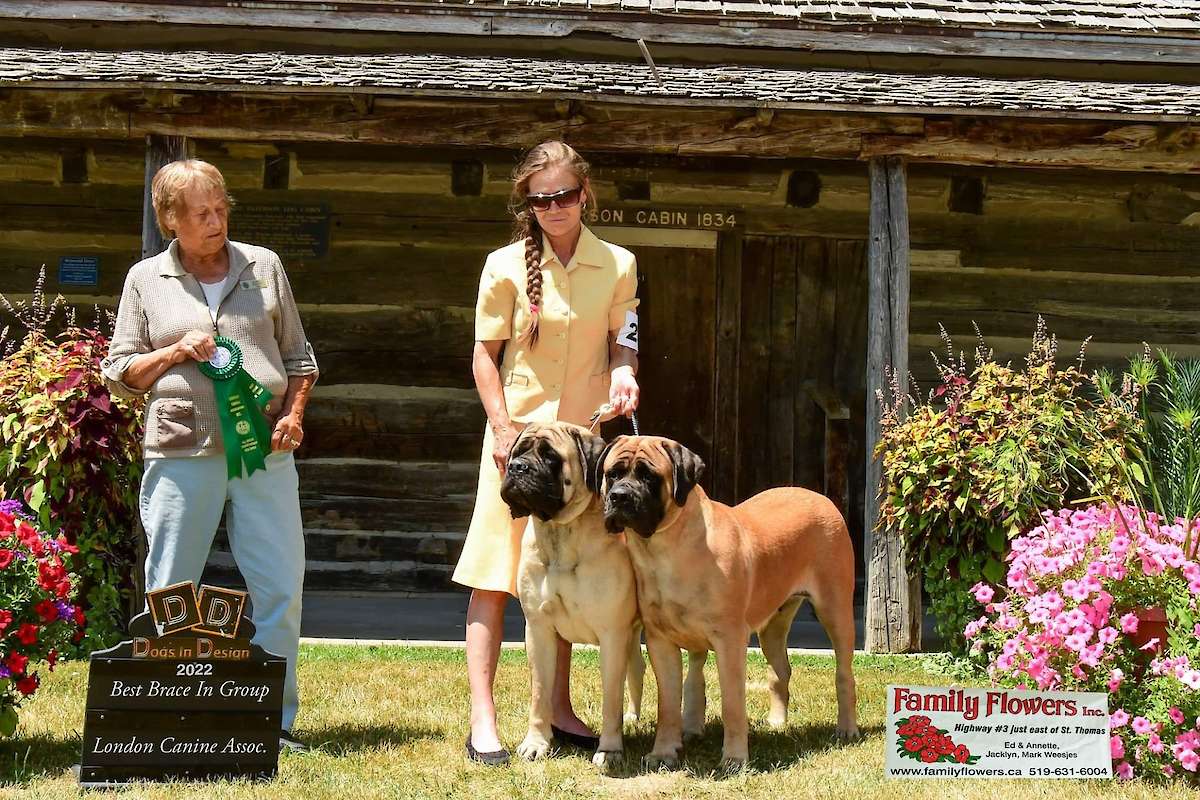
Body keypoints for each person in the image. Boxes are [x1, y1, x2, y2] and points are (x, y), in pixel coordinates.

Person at [101, 159, 318, 752]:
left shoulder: (264, 265)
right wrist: (174, 353)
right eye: (201, 213)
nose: (216, 220)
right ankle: (167, 716)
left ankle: (274, 723)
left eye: (222, 208)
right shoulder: (145, 279)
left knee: (279, 586)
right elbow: (121, 372)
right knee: (171, 587)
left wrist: (294, 415)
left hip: (263, 449)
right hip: (179, 447)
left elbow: (300, 361)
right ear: (169, 219)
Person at [453, 141, 641, 765]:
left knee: (563, 573)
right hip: (515, 443)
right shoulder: (502, 265)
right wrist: (503, 431)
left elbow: (626, 344)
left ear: (585, 194)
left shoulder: (619, 264)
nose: (554, 208)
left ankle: (557, 710)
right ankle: (485, 718)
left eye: (564, 196)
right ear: (527, 204)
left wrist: (624, 375)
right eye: (541, 200)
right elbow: (485, 355)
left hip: (583, 451)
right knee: (495, 577)